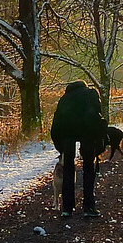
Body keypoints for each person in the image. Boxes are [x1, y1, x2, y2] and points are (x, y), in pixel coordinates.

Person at [49, 80, 107, 217]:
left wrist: (60, 147)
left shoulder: (64, 99)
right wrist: (99, 137)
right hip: (87, 132)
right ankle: (89, 207)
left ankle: (67, 208)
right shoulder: (91, 93)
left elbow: (56, 122)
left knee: (68, 169)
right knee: (88, 167)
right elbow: (96, 113)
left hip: (67, 135)